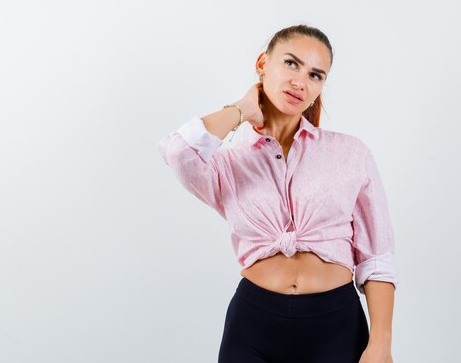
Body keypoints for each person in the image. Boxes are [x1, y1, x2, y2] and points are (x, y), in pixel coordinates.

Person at [157, 25, 397, 363]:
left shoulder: (350, 154)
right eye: (291, 63)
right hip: (253, 325)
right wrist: (241, 109)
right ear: (262, 63)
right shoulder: (228, 163)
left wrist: (380, 344)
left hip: (337, 326)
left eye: (316, 75)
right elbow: (178, 152)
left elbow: (377, 259)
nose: (301, 81)